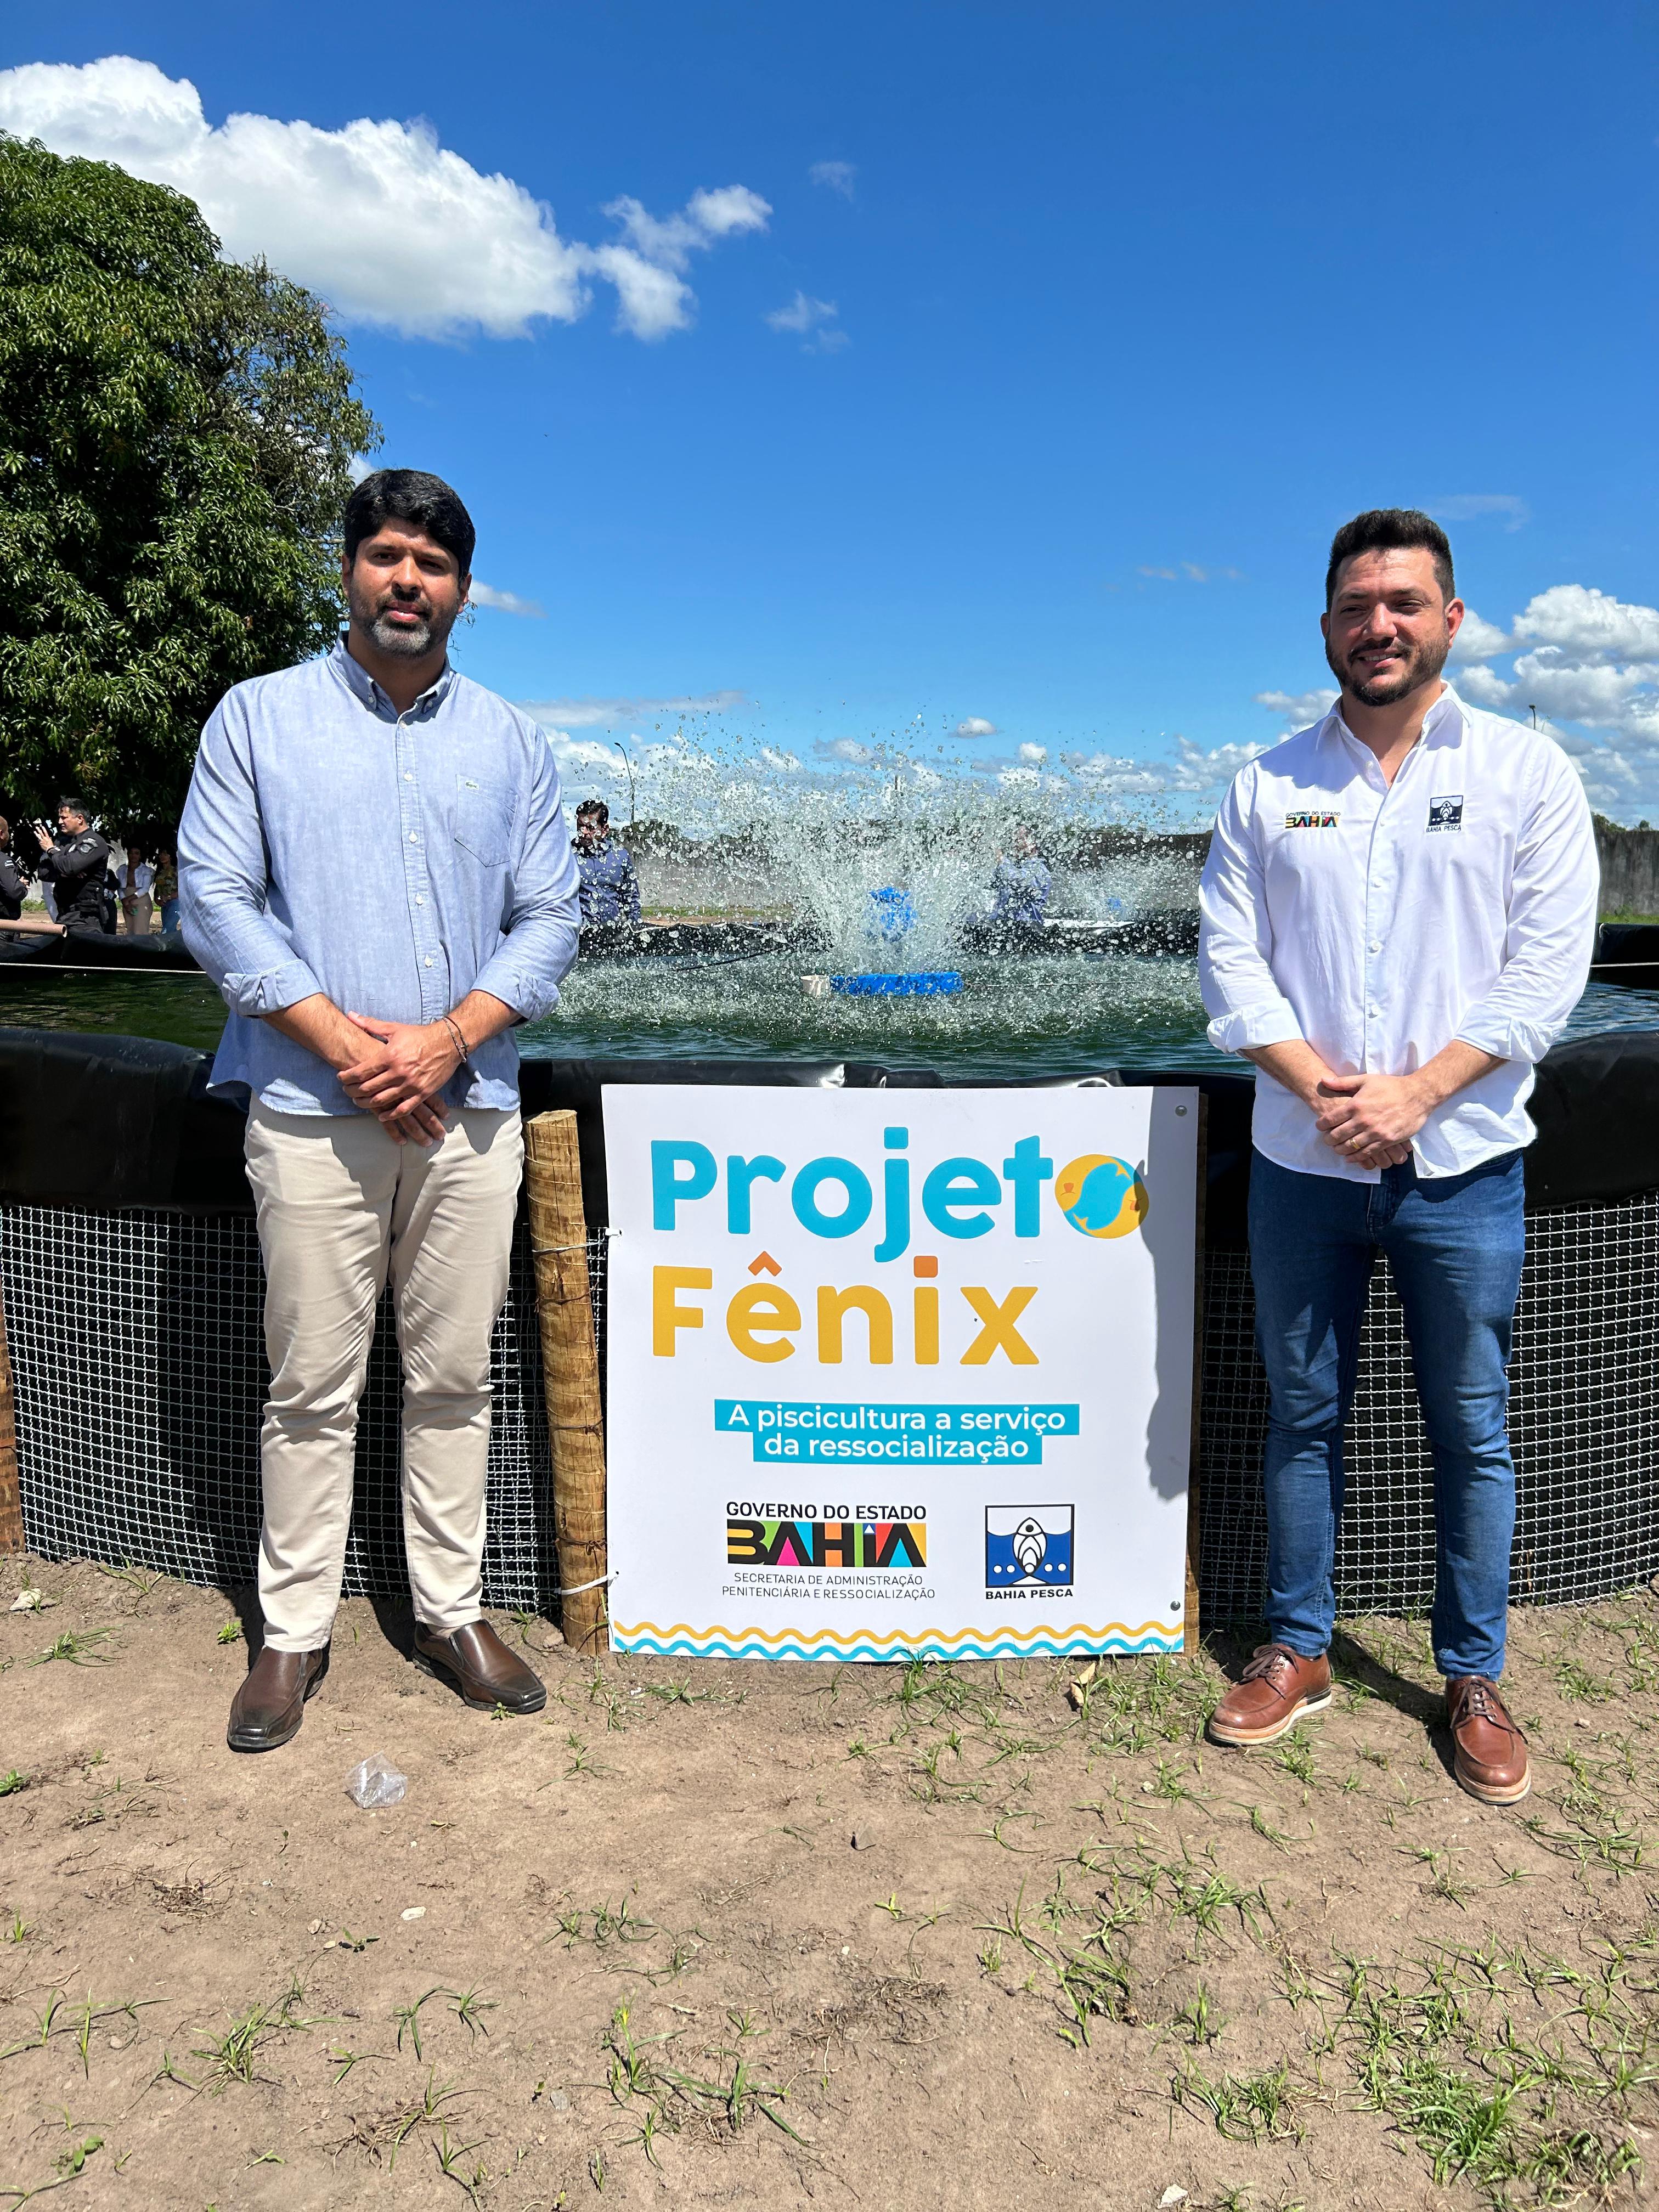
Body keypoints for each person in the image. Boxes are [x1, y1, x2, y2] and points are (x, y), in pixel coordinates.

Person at [1198, 508, 1598, 1805]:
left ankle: (1471, 1676)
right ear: (1325, 627)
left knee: (1470, 1427)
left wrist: (1418, 1094)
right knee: (1302, 1418)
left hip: (1464, 1166)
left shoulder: (1529, 773)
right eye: (1357, 606)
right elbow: (1231, 967)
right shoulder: (1266, 785)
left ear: (1451, 620)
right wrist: (1331, 1095)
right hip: (1303, 1164)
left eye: (1404, 603)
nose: (1380, 625)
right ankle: (1300, 1648)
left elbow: (1548, 973)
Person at [179, 467, 582, 1754]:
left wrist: (448, 1040)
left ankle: (452, 1610)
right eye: (388, 555)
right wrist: (355, 1048)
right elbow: (213, 900)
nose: (409, 581)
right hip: (312, 1103)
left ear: (464, 590)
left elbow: (552, 916)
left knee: (456, 1377)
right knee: (310, 1382)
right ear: (349, 567)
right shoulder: (257, 719)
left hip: (469, 1109)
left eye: (435, 564)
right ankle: (292, 1630)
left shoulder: (513, 742)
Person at [31, 798, 111, 933]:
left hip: (85, 917)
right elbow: (43, 872)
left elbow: (69, 866)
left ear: (80, 819)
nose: (60, 822)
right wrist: (65, 872)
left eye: (64, 818)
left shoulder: (94, 841)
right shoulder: (63, 843)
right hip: (64, 915)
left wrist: (52, 851)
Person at [572, 799, 642, 929]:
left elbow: (631, 898)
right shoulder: (568, 856)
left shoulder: (620, 857)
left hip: (613, 933)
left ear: (604, 830)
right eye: (580, 826)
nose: (584, 832)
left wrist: (635, 928)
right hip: (580, 934)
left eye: (590, 828)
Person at [121, 843, 155, 937]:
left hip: (141, 901)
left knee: (140, 931)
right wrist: (124, 900)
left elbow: (145, 889)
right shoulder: (122, 870)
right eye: (131, 853)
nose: (133, 856)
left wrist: (128, 899)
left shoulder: (146, 871)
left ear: (140, 856)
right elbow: (120, 887)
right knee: (131, 930)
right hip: (126, 902)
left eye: (136, 853)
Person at [153, 842, 180, 936]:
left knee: (167, 930)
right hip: (164, 904)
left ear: (171, 857)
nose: (162, 856)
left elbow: (182, 890)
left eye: (165, 854)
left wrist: (168, 897)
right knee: (170, 931)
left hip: (175, 903)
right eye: (161, 854)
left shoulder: (176, 871)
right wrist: (157, 899)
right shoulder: (160, 872)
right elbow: (158, 888)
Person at [0, 817, 24, 923]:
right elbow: (14, 891)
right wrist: (22, 886)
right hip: (4, 923)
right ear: (1, 834)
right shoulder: (4, 861)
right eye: (7, 831)